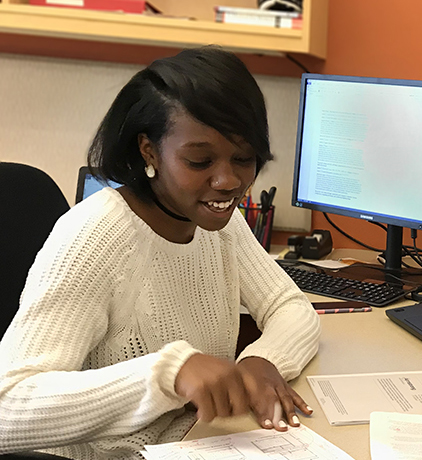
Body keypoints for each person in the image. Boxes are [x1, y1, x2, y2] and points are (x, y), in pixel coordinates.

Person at [0, 47, 321, 459]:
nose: (227, 181)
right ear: (149, 151)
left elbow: (290, 306)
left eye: (244, 158)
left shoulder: (218, 221)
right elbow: (8, 406)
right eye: (199, 160)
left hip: (200, 441)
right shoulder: (94, 237)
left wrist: (262, 360)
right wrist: (166, 375)